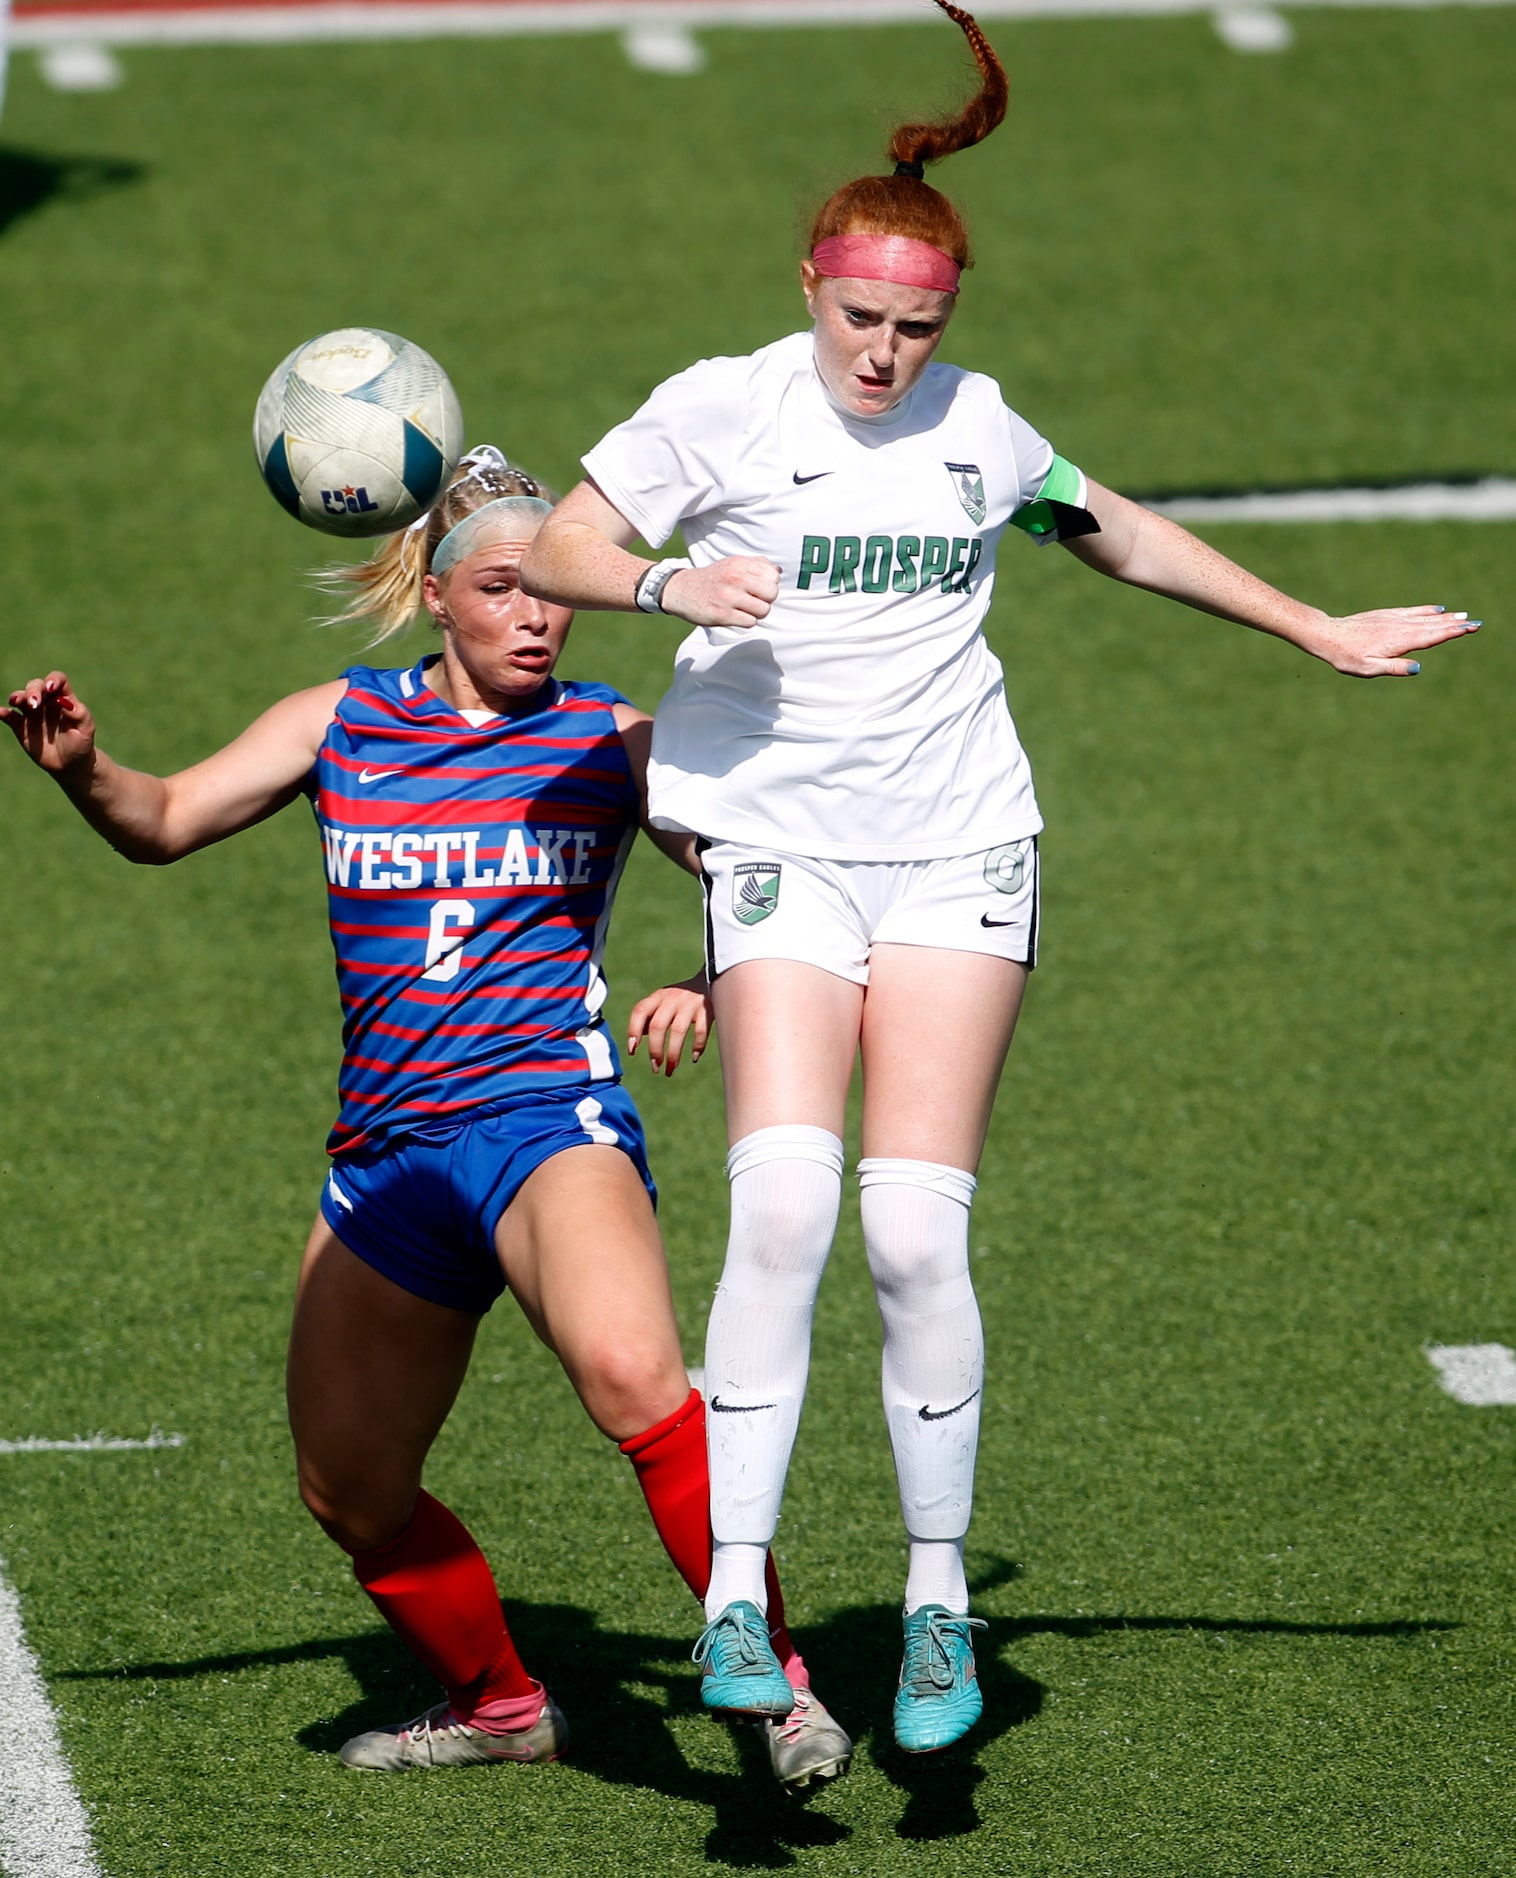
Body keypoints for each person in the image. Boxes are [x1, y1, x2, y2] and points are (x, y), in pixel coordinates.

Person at [519, 0, 1479, 1756]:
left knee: (906, 1228)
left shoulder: (976, 428)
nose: (883, 354)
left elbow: (1109, 527)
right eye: (860, 318)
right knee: (788, 1210)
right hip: (779, 849)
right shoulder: (716, 412)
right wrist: (663, 591)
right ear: (809, 283)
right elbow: (559, 544)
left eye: (915, 327)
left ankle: (939, 1604)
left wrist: (1310, 625)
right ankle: (739, 1593)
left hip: (961, 843)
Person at [1, 448, 853, 1790]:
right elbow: (162, 820)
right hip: (386, 1157)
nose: (536, 615)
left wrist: (706, 972)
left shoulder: (612, 736)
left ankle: (778, 1682)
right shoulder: (339, 722)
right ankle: (500, 1700)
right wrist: (83, 767)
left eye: (553, 593)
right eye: (503, 589)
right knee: (350, 1490)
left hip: (542, 1120)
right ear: (440, 600)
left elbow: (768, 870)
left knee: (636, 1377)